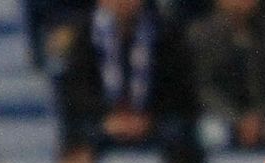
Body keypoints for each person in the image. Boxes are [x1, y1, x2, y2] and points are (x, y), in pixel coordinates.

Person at [56, 0, 197, 151]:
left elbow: (178, 88)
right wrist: (106, 117)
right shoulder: (83, 33)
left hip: (154, 120)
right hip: (100, 120)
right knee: (77, 138)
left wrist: (148, 118)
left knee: (181, 135)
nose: (122, 2)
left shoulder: (166, 31)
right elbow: (75, 89)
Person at [187, 0, 265, 150]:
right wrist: (237, 118)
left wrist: (259, 116)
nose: (240, 4)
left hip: (264, 112)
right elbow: (204, 87)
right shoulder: (202, 33)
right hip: (220, 112)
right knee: (212, 133)